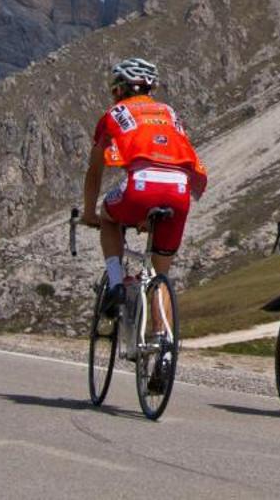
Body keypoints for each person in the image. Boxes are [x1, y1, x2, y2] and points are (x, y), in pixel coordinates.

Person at [80, 57, 207, 343]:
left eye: (114, 90)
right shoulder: (169, 112)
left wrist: (89, 214)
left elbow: (94, 171)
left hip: (141, 184)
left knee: (108, 216)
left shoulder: (115, 113)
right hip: (179, 191)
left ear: (121, 89)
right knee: (160, 275)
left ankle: (115, 284)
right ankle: (163, 343)